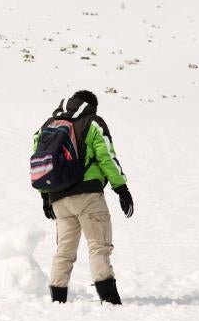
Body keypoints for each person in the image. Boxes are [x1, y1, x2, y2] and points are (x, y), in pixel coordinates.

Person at [33, 90, 133, 305]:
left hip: (58, 198)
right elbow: (106, 157)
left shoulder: (49, 124)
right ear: (92, 106)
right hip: (88, 197)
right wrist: (121, 189)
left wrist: (45, 197)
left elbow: (40, 161)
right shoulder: (92, 122)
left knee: (64, 251)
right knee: (99, 246)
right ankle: (110, 301)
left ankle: (57, 300)